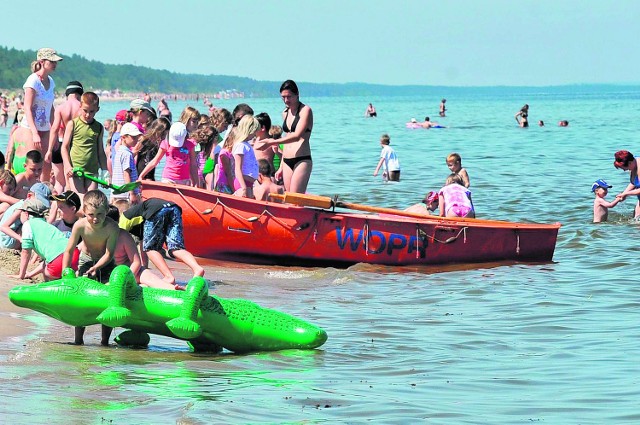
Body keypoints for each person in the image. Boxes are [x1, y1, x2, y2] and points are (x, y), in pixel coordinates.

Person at [63, 190, 119, 346]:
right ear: (84, 212)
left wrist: (97, 267)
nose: (95, 219)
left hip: (106, 264)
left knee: (108, 300)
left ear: (107, 211)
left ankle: (104, 341)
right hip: (86, 261)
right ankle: (78, 340)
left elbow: (109, 254)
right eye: (91, 214)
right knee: (82, 300)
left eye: (100, 214)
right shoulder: (79, 225)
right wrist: (65, 273)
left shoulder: (112, 227)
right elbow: (69, 250)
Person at [118, 197, 204, 284]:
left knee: (150, 249)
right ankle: (197, 268)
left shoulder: (124, 218)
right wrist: (145, 269)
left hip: (155, 210)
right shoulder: (138, 217)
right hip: (174, 208)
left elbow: (119, 242)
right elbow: (143, 244)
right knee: (175, 248)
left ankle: (169, 277)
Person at [254, 80, 313, 193]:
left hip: (302, 159)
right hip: (286, 160)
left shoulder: (305, 111)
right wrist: (281, 165)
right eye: (283, 97)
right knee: (289, 196)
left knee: (296, 197)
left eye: (289, 96)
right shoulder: (285, 113)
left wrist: (270, 142)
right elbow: (287, 138)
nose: (286, 100)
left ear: (297, 94)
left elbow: (297, 136)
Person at [105, 206, 181, 290]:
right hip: (109, 274)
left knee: (147, 275)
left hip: (131, 272)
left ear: (117, 222)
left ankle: (172, 289)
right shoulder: (96, 236)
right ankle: (142, 287)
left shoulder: (124, 237)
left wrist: (126, 278)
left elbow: (136, 262)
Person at [9, 197, 80, 281]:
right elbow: (48, 261)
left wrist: (21, 274)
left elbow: (25, 252)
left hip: (59, 260)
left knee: (47, 274)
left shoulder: (28, 224)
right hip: (74, 254)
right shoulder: (47, 225)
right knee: (50, 266)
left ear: (26, 214)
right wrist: (30, 274)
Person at [21, 48, 63, 184]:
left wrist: (54, 133)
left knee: (46, 162)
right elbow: (27, 107)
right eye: (52, 61)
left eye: (55, 61)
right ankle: (27, 189)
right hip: (30, 127)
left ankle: (42, 191)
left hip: (45, 127)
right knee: (33, 162)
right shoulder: (32, 80)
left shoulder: (51, 81)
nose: (55, 64)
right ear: (42, 62)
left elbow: (51, 108)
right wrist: (34, 132)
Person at [61, 92, 107, 195]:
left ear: (97, 110)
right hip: (76, 170)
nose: (88, 115)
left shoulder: (99, 127)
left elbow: (101, 152)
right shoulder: (73, 124)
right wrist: (68, 166)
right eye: (85, 111)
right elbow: (64, 147)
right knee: (79, 199)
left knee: (91, 201)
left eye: (92, 111)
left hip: (92, 172)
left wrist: (105, 171)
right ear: (80, 106)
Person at [46, 81, 83, 193]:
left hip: (58, 146)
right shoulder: (82, 108)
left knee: (59, 183)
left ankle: (55, 209)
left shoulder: (61, 107)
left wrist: (49, 150)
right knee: (73, 183)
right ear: (80, 93)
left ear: (67, 93)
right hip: (74, 147)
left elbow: (54, 129)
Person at [138, 121, 198, 186]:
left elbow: (193, 164)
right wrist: (141, 175)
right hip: (168, 178)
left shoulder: (190, 144)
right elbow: (155, 161)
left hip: (184, 179)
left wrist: (195, 181)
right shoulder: (165, 144)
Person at [0, 182, 51, 249]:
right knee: (31, 225)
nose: (41, 205)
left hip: (10, 238)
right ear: (29, 196)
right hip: (6, 242)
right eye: (39, 201)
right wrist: (21, 239)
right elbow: (3, 227)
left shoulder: (27, 205)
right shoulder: (22, 207)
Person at [111, 123, 142, 204]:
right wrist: (131, 193)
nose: (136, 140)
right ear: (123, 137)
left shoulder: (120, 151)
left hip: (119, 192)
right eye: (133, 137)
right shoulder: (127, 154)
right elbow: (126, 174)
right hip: (126, 195)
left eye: (137, 137)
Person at [232, 115, 260, 198]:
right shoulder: (240, 145)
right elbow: (238, 169)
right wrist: (244, 187)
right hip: (243, 182)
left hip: (249, 182)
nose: (255, 135)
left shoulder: (246, 145)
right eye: (254, 132)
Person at [134, 117, 170, 182]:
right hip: (140, 172)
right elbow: (134, 153)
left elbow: (154, 161)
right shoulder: (144, 139)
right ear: (156, 131)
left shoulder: (160, 144)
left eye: (166, 135)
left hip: (150, 173)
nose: (164, 137)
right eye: (163, 134)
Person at [613, 150, 640, 218]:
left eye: (625, 168)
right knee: (636, 220)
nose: (625, 170)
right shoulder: (633, 164)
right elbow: (634, 183)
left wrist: (626, 194)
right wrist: (623, 194)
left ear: (630, 163)